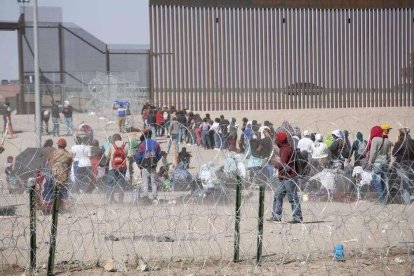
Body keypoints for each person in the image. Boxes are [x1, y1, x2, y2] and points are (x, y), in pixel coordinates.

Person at [269, 132, 303, 223]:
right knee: (278, 195)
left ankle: (297, 217)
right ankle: (276, 215)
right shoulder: (286, 148)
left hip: (289, 177)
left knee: (292, 197)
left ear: (280, 141)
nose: (275, 140)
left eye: (276, 139)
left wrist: (274, 162)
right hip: (284, 177)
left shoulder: (285, 150)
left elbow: (281, 165)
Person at [47, 138, 73, 212]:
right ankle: (63, 208)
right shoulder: (68, 154)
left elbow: (49, 162)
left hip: (54, 174)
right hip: (63, 175)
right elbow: (69, 166)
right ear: (65, 146)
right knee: (63, 191)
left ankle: (53, 207)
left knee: (53, 190)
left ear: (58, 145)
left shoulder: (53, 153)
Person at [367, 125, 392, 204]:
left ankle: (381, 200)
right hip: (385, 163)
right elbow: (389, 154)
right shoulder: (387, 141)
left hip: (377, 163)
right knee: (384, 181)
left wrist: (370, 162)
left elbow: (373, 152)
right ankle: (385, 199)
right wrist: (388, 162)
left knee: (377, 181)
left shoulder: (375, 139)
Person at [135, 129, 162, 201]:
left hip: (144, 166)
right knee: (153, 182)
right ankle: (155, 196)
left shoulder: (143, 144)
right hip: (153, 165)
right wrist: (155, 161)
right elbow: (159, 154)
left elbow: (138, 155)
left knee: (145, 182)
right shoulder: (156, 143)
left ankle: (146, 197)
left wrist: (139, 163)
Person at [105, 133, 129, 204]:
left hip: (112, 167)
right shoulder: (125, 145)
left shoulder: (111, 145)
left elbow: (106, 155)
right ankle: (120, 202)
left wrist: (111, 157)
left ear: (113, 139)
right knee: (121, 185)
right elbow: (128, 154)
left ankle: (109, 201)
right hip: (122, 167)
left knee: (110, 185)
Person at [392, 128, 414, 204]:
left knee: (405, 185)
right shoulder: (413, 142)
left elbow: (394, 154)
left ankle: (407, 201)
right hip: (412, 165)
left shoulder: (399, 143)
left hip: (402, 165)